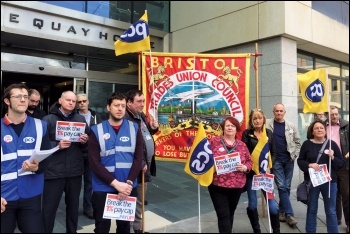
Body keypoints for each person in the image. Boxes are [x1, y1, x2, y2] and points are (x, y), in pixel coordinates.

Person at [1, 84, 67, 233]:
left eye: (25, 96)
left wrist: (37, 167)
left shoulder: (40, 126)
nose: (23, 100)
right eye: (18, 96)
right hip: (4, 197)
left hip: (31, 195)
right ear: (7, 101)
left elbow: (46, 158)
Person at [88, 92, 143, 233]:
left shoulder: (135, 128)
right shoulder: (96, 130)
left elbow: (138, 159)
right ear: (108, 107)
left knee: (124, 228)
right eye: (116, 105)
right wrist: (116, 184)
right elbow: (94, 163)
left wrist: (128, 184)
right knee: (101, 227)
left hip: (127, 187)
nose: (120, 109)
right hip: (103, 187)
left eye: (123, 106)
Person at [42, 91, 90, 233]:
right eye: (68, 100)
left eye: (73, 101)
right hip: (53, 172)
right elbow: (40, 145)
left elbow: (88, 145)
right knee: (48, 210)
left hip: (74, 171)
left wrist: (85, 141)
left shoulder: (80, 119)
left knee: (73, 209)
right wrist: (57, 145)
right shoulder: (48, 119)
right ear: (60, 101)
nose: (71, 103)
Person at [297, 120, 344, 233]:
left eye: (321, 128)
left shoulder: (332, 144)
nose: (319, 130)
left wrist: (333, 157)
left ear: (325, 131)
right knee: (312, 209)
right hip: (313, 181)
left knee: (331, 211)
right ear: (312, 132)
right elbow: (300, 161)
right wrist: (309, 165)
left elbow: (341, 163)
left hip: (329, 182)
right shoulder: (307, 144)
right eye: (316, 128)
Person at [208, 116, 252, 233]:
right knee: (223, 215)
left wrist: (245, 167)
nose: (230, 128)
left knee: (230, 213)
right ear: (223, 127)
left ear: (236, 129)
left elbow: (249, 161)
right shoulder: (213, 142)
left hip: (236, 186)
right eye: (227, 125)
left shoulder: (242, 145)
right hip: (217, 186)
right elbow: (205, 158)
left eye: (232, 126)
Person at [242, 108, 280, 233]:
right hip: (252, 174)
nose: (257, 121)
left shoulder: (268, 133)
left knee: (273, 206)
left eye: (259, 118)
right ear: (251, 121)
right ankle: (257, 230)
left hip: (265, 175)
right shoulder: (247, 134)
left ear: (263, 119)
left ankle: (276, 230)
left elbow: (274, 152)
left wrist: (270, 166)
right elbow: (244, 153)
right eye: (254, 118)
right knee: (252, 204)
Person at [125, 89, 158, 233]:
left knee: (140, 199)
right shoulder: (126, 119)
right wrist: (141, 162)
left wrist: (153, 128)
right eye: (139, 101)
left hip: (145, 166)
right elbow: (129, 145)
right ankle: (131, 228)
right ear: (129, 103)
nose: (142, 104)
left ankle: (137, 228)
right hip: (135, 167)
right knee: (133, 199)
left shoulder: (141, 116)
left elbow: (146, 136)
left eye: (143, 101)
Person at [266, 103, 301, 227]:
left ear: (284, 112)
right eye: (277, 111)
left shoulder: (291, 125)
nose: (279, 113)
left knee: (286, 187)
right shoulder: (267, 124)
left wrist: (295, 155)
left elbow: (298, 142)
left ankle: (281, 212)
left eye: (281, 111)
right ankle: (289, 214)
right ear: (273, 112)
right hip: (275, 160)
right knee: (281, 186)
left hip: (289, 160)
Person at [76, 93, 102, 219]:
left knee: (89, 182)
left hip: (91, 153)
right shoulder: (73, 116)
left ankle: (88, 207)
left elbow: (101, 132)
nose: (81, 103)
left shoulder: (95, 115)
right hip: (76, 153)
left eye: (84, 101)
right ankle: (73, 206)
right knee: (74, 183)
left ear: (88, 102)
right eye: (79, 101)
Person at [325, 106, 349, 233]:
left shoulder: (346, 125)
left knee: (346, 193)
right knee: (334, 192)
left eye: (335, 114)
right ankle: (337, 218)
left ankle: (348, 222)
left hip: (343, 162)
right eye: (331, 114)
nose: (334, 116)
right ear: (327, 115)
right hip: (329, 162)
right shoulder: (323, 126)